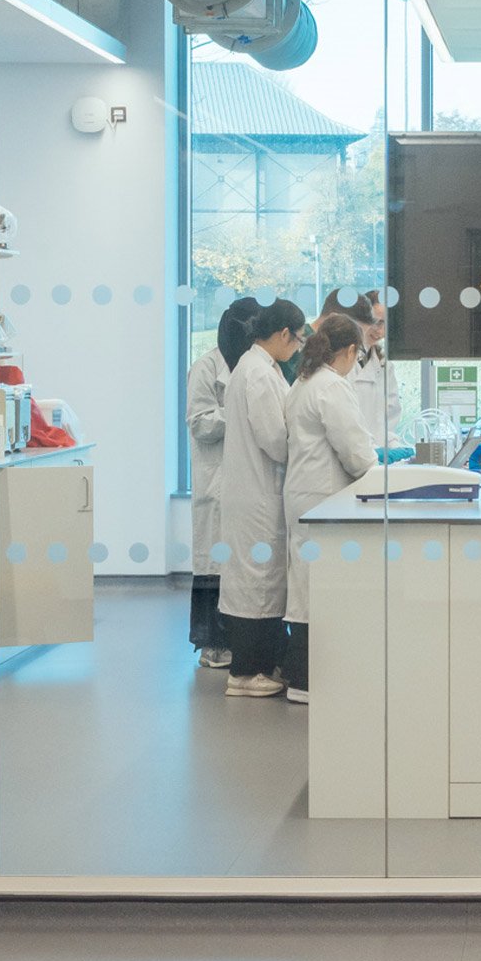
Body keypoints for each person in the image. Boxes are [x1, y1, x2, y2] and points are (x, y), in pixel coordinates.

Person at [281, 313, 378, 705]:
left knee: (305, 587)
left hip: (304, 494)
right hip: (321, 497)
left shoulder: (303, 382)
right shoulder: (331, 387)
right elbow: (355, 452)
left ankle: (303, 678)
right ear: (351, 350)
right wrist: (381, 470)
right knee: (316, 591)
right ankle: (307, 681)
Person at [215, 299, 305, 699]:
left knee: (258, 580)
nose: (299, 347)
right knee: (256, 582)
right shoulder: (258, 374)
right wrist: (306, 447)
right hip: (257, 494)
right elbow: (274, 438)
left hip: (254, 491)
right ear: (284, 333)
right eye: (298, 338)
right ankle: (245, 673)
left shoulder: (258, 368)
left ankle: (257, 666)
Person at [183, 295, 262, 671]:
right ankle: (212, 643)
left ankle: (240, 640)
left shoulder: (255, 365)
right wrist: (242, 416)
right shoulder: (206, 367)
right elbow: (200, 422)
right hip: (216, 478)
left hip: (246, 480)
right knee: (213, 563)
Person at [323, 289, 404, 452]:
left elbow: (390, 418)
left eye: (386, 324)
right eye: (376, 322)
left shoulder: (383, 365)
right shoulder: (339, 360)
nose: (380, 331)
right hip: (351, 452)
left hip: (372, 454)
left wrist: (394, 447)